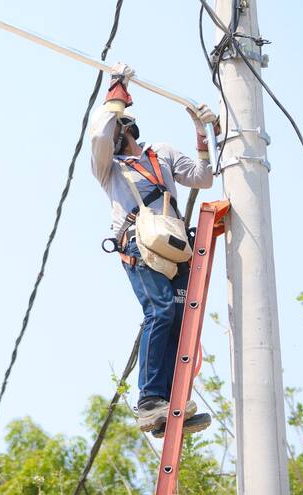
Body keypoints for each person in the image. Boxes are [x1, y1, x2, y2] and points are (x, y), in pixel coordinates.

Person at [89, 63, 218, 437]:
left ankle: (170, 403)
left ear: (128, 129)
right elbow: (98, 133)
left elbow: (203, 178)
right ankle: (149, 401)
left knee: (180, 319)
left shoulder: (159, 153)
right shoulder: (108, 167)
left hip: (175, 246)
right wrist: (117, 87)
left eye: (117, 127)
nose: (111, 134)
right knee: (160, 310)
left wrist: (203, 133)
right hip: (139, 245)